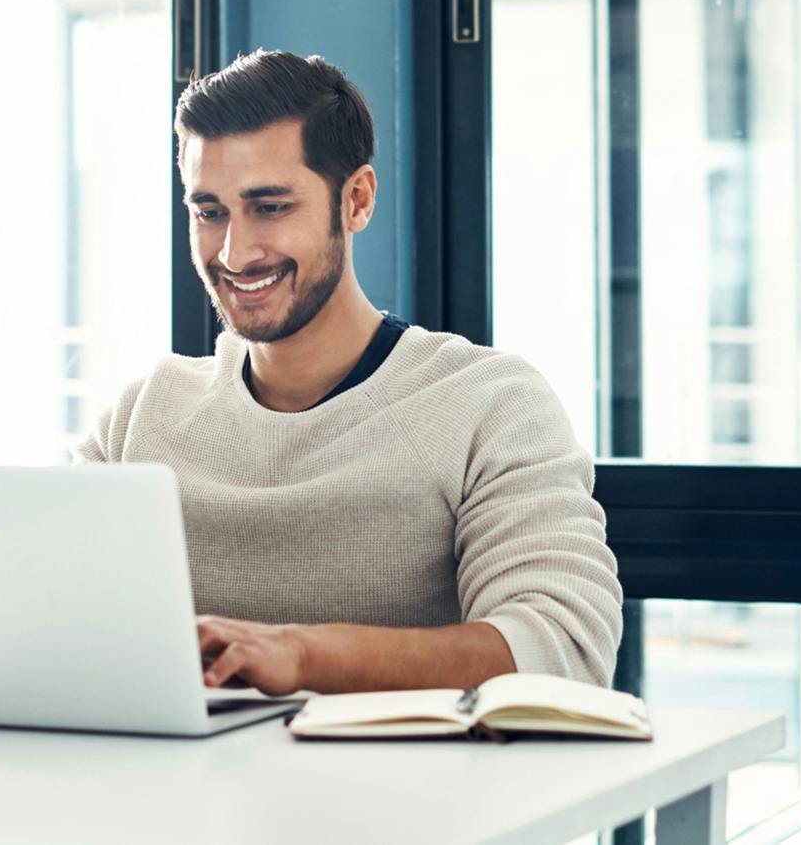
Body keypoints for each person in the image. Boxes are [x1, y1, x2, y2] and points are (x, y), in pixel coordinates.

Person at [77, 49, 622, 695]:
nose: (235, 251)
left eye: (271, 206)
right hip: (176, 788)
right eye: (210, 211)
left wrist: (302, 655)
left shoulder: (488, 404)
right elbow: (46, 620)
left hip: (417, 793)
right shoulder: (141, 418)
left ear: (356, 199)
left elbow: (562, 649)